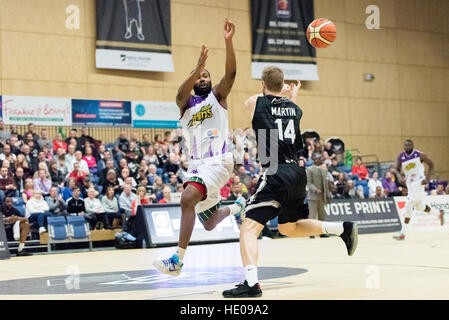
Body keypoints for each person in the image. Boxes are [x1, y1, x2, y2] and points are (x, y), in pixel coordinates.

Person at [222, 66, 358, 298]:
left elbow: (250, 102)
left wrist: (279, 92)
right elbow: (286, 108)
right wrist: (289, 93)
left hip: (276, 171)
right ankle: (341, 228)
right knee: (288, 227)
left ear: (262, 85)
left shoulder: (258, 102)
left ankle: (251, 284)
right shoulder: (294, 108)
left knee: (248, 227)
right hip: (296, 172)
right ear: (282, 85)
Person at [153, 18, 247, 276]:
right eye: (200, 76)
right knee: (210, 223)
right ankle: (237, 206)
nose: (204, 78)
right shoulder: (186, 105)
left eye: (207, 75)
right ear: (194, 80)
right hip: (198, 165)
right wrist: (198, 66)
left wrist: (228, 42)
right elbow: (179, 95)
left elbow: (232, 75)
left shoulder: (218, 98)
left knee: (187, 198)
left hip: (219, 161)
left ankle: (177, 261)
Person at [393, 140, 444, 240]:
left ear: (412, 146)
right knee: (420, 207)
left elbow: (431, 164)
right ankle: (439, 214)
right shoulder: (401, 157)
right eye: (405, 145)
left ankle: (403, 232)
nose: (407, 146)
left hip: (419, 182)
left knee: (408, 204)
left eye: (409, 145)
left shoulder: (419, 155)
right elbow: (397, 170)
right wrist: (399, 176)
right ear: (403, 146)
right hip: (409, 184)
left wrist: (428, 178)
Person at [306, 152, 331, 237]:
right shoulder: (309, 169)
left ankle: (322, 232)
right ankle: (311, 232)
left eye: (319, 158)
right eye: (316, 158)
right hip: (313, 196)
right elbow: (309, 183)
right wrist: (315, 190)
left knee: (322, 216)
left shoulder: (324, 169)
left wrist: (327, 195)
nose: (318, 160)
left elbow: (326, 184)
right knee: (312, 216)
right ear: (313, 159)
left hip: (322, 196)